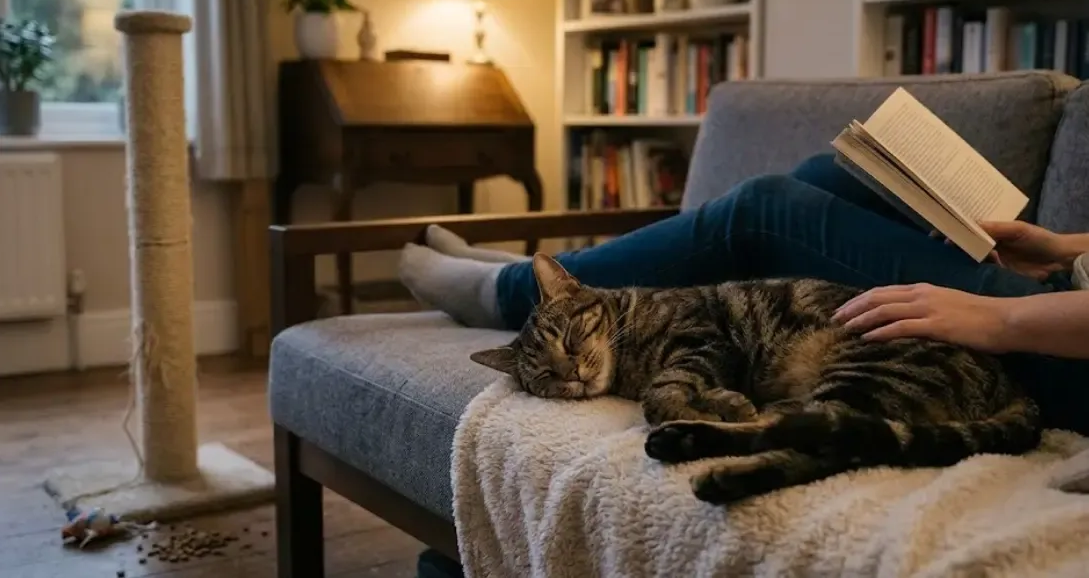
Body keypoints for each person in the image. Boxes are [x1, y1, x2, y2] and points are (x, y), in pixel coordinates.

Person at [398, 153, 1089, 436]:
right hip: (1068, 287)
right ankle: (541, 284)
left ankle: (506, 290)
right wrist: (1063, 248)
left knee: (765, 208)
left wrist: (1002, 316)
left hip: (1061, 343)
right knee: (835, 171)